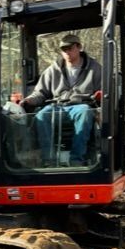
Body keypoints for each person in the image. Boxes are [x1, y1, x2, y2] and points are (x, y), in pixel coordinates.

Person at [20, 34, 102, 165]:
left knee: (85, 112)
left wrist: (100, 96)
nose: (67, 52)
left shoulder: (94, 68)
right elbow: (40, 93)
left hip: (81, 106)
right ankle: (49, 160)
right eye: (64, 49)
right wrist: (28, 101)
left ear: (79, 47)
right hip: (58, 107)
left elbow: (103, 91)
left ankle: (76, 159)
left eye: (70, 48)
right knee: (42, 115)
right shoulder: (53, 69)